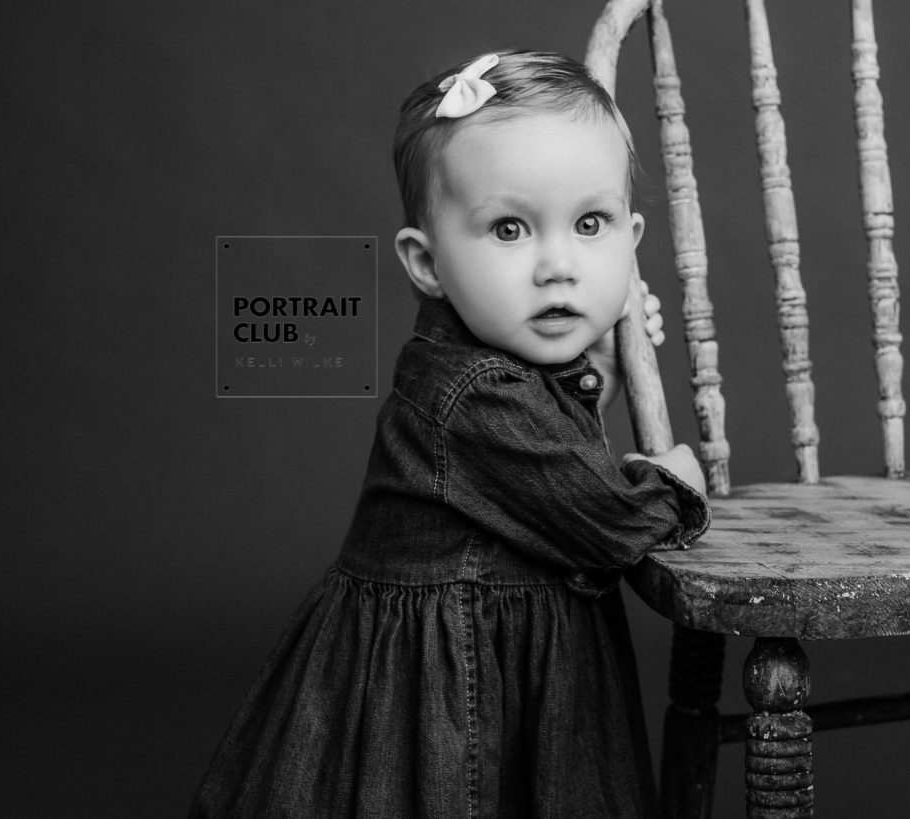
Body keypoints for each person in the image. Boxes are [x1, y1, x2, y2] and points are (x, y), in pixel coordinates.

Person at [190, 49, 710, 818]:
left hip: (507, 658)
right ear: (427, 263)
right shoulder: (469, 392)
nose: (558, 265)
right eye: (508, 228)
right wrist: (674, 483)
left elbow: (545, 475)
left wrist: (597, 366)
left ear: (631, 239)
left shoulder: (505, 375)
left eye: (590, 223)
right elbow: (604, 519)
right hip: (451, 684)